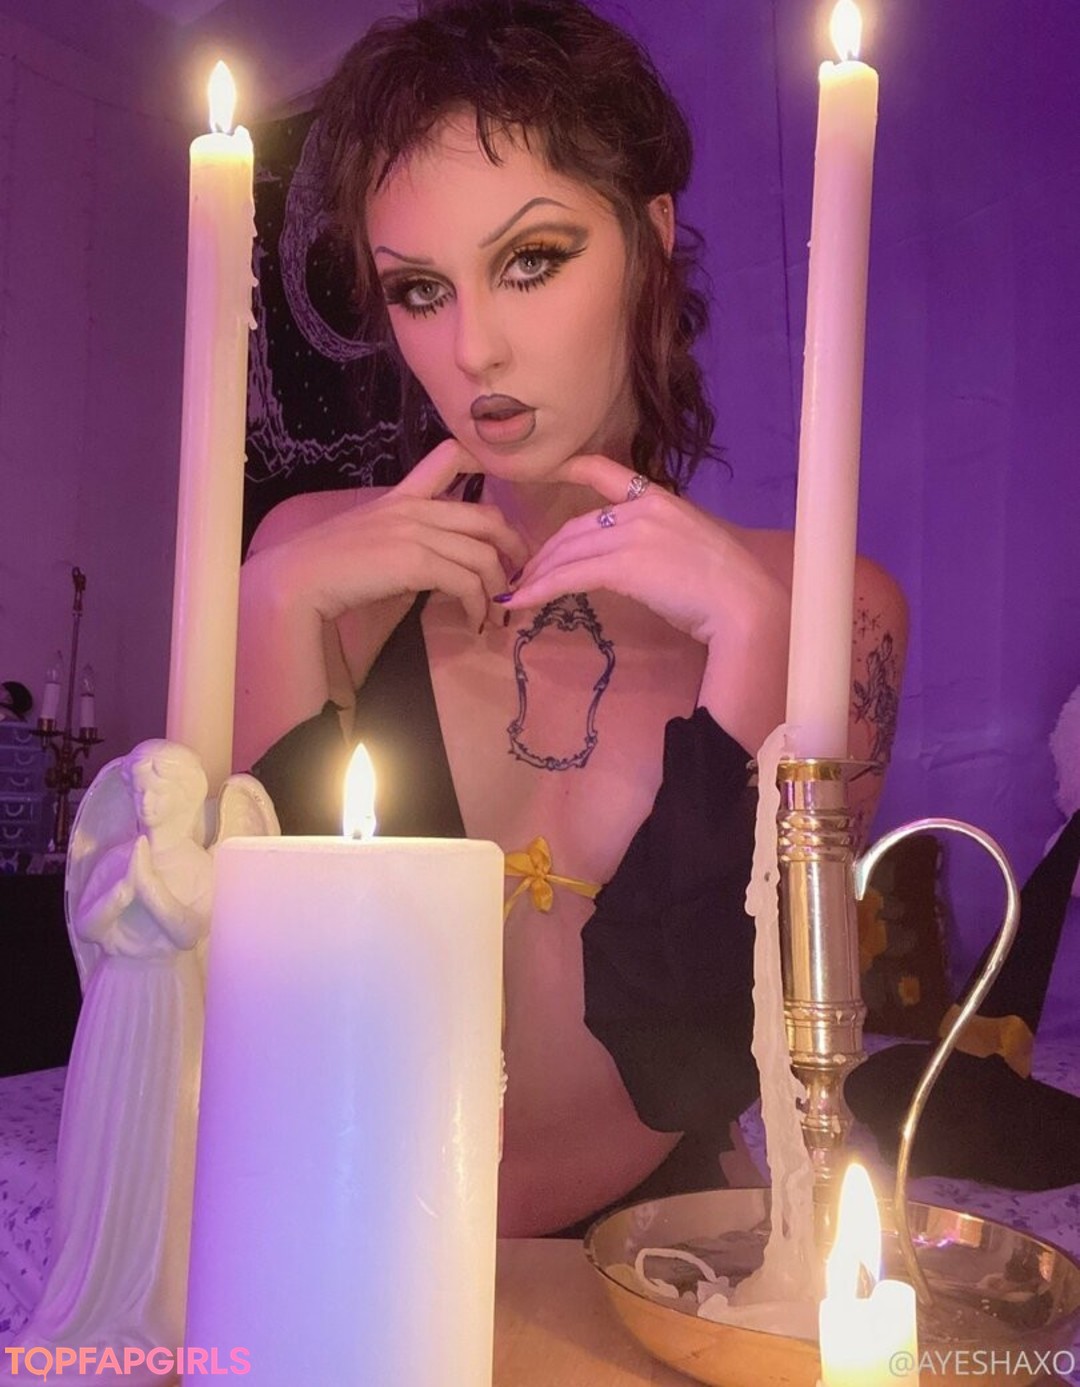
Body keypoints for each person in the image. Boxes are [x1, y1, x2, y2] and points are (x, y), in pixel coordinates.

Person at [235, 0, 908, 1238]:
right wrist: (274, 608)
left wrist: (753, 649)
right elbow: (281, 1032)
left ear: (651, 240)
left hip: (654, 1264)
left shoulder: (830, 611)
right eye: (420, 288)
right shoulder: (313, 567)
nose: (474, 348)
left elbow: (694, 1055)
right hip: (354, 1244)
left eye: (532, 259)